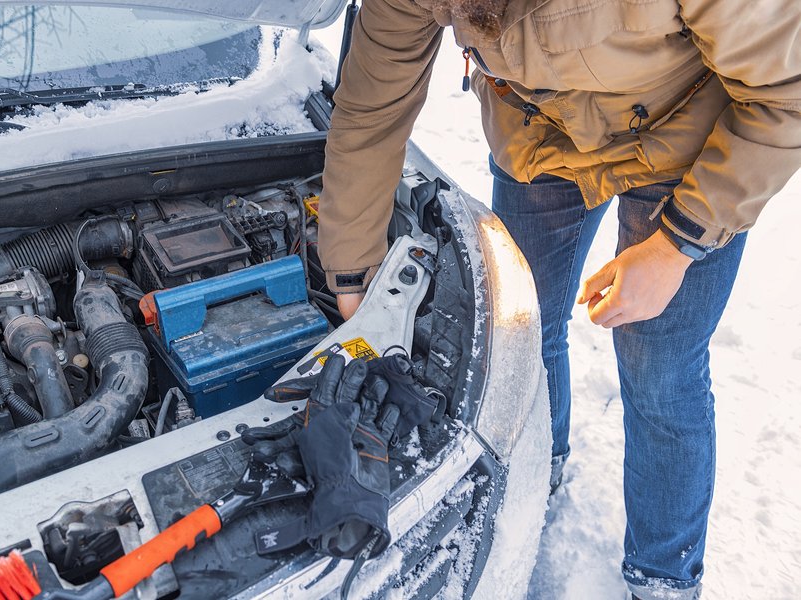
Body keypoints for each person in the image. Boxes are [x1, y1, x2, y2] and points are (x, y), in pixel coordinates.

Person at [315, 0, 801, 598]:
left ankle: (664, 577)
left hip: (690, 141)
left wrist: (678, 244)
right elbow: (369, 111)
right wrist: (351, 273)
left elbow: (788, 92)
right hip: (541, 140)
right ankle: (534, 471)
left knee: (661, 373)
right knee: (522, 331)